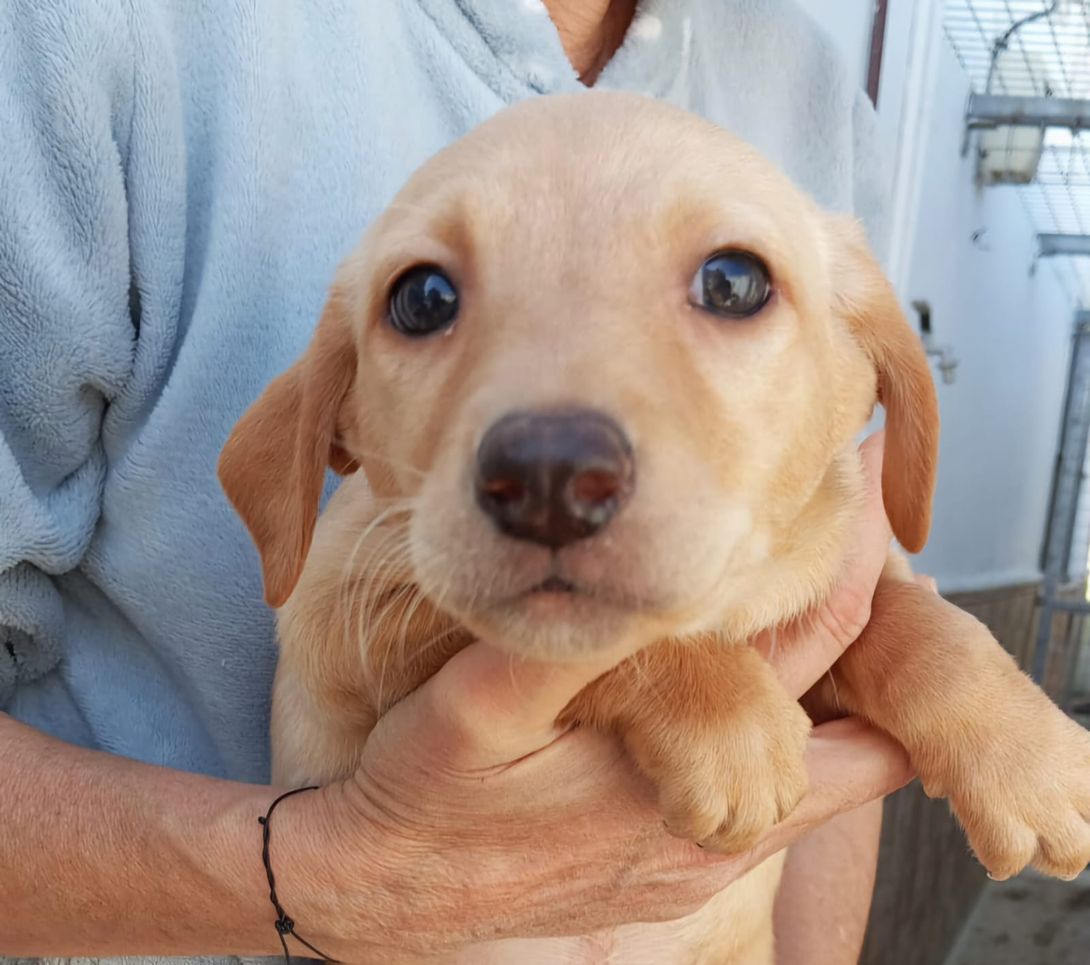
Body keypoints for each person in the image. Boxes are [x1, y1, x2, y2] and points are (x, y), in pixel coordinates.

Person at [0, 1, 920, 961]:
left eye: (731, 287)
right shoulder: (93, 27)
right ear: (336, 417)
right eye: (427, 302)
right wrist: (322, 879)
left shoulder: (813, 90)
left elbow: (839, 619)